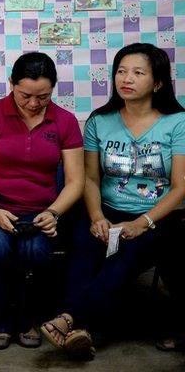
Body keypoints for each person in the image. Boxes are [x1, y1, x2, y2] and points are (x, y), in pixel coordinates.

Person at [40, 43, 185, 360]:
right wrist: (95, 217)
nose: (126, 79)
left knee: (126, 255)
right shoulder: (99, 121)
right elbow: (90, 178)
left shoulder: (177, 122)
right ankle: (79, 331)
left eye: (137, 72)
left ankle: (69, 320)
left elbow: (179, 187)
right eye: (121, 71)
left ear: (157, 82)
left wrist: (141, 222)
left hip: (159, 216)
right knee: (84, 247)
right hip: (106, 210)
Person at [0, 52, 85, 349]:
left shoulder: (66, 121)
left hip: (41, 211)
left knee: (35, 252)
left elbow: (75, 181)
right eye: (25, 95)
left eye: (42, 97)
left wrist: (54, 212)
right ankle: (0, 319)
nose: (33, 103)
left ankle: (28, 318)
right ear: (11, 84)